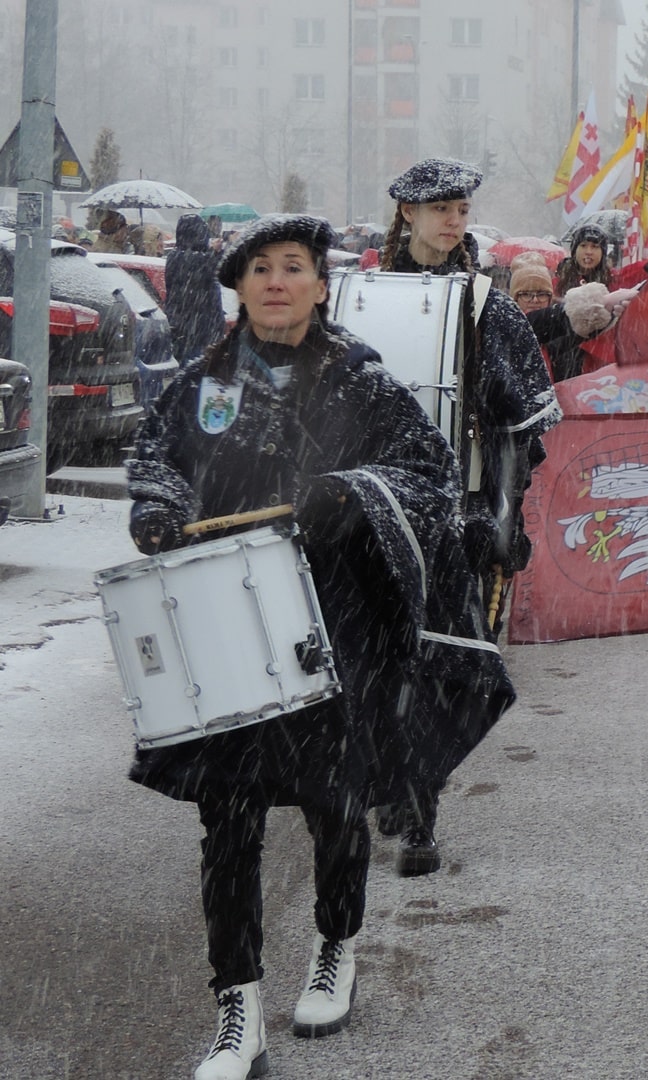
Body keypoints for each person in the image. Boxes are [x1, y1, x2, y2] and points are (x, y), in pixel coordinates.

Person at [124, 215, 459, 1080]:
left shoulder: (363, 382)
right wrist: (158, 507)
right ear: (238, 287)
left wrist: (352, 493)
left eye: (294, 267)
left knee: (333, 803)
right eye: (261, 269)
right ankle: (237, 1009)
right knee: (227, 818)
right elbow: (154, 461)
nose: (277, 281)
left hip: (336, 623)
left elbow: (431, 478)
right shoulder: (199, 383)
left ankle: (335, 946)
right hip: (224, 630)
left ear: (319, 284)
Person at [373, 157, 558, 874]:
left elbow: (517, 428)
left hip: (461, 511)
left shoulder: (488, 307)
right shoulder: (360, 298)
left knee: (442, 663)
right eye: (440, 209)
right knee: (379, 660)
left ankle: (420, 801)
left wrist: (505, 520)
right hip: (376, 505)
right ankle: (395, 777)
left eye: (461, 209)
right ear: (407, 214)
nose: (454, 221)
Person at [164, 214, 226, 365]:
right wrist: (217, 252)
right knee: (196, 369)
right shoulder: (192, 259)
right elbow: (213, 270)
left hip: (185, 328)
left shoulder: (174, 257)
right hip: (198, 330)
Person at [554, 223, 613, 295]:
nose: (589, 252)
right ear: (574, 250)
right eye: (583, 245)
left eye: (595, 246)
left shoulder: (614, 280)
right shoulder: (558, 282)